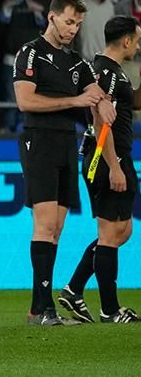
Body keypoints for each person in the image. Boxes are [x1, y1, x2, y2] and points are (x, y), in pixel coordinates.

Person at [13, 0, 113, 326]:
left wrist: (103, 104)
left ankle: (37, 308)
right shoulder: (30, 53)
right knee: (44, 223)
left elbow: (95, 97)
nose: (73, 29)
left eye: (78, 24)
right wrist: (77, 99)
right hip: (38, 140)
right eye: (69, 21)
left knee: (56, 228)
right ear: (52, 17)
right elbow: (25, 101)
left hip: (67, 145)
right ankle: (45, 310)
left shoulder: (77, 63)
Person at [58, 16, 141, 324]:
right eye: (137, 40)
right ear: (127, 41)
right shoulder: (107, 72)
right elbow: (99, 119)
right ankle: (110, 309)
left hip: (114, 156)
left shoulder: (107, 70)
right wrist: (114, 166)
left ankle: (74, 289)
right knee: (110, 233)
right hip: (108, 158)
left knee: (123, 230)